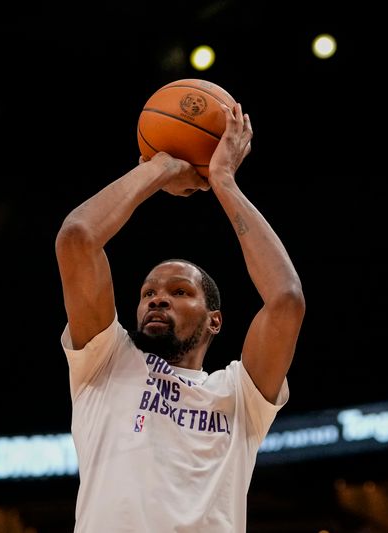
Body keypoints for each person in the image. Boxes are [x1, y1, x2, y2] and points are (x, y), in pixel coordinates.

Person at [55, 101, 305, 532]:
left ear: (215, 320)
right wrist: (160, 169)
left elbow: (286, 300)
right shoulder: (106, 361)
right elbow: (77, 238)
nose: (157, 299)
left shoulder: (238, 397)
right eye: (148, 292)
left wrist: (223, 181)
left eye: (179, 292)